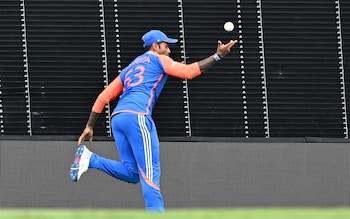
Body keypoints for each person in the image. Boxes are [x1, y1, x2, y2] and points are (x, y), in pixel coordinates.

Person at [69, 29, 237, 211]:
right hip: (137, 117)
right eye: (166, 46)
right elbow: (189, 72)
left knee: (133, 173)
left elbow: (103, 96)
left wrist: (89, 126)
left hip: (118, 119)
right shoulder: (159, 59)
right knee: (150, 176)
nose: (169, 51)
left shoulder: (130, 68)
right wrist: (218, 56)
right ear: (156, 46)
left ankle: (91, 159)